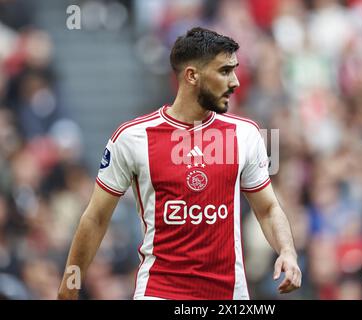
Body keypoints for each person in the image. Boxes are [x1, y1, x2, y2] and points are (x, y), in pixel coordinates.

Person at [57, 27, 301, 300]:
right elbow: (96, 217)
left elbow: (267, 209)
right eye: (224, 71)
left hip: (230, 295)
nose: (235, 82)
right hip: (160, 293)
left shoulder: (245, 134)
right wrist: (70, 285)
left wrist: (288, 252)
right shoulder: (133, 138)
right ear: (192, 76)